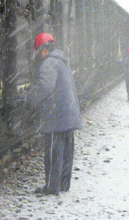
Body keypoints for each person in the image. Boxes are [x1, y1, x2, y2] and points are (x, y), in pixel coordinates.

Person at [26, 33, 82, 195]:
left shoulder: (49, 62)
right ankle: (64, 184)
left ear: (43, 50)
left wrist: (29, 97)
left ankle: (51, 187)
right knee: (66, 152)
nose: (39, 56)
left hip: (56, 115)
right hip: (69, 113)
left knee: (53, 152)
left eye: (38, 52)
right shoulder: (62, 61)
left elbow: (45, 86)